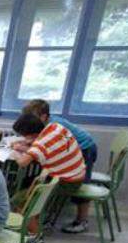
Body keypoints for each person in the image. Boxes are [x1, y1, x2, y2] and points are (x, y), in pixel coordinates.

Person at [22, 99, 97, 233]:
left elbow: (51, 144)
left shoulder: (55, 125)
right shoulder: (47, 124)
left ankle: (82, 220)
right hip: (77, 149)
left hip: (85, 148)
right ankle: (40, 217)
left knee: (79, 182)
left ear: (43, 116)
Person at [11, 112, 87, 228]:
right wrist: (28, 144)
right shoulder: (56, 127)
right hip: (78, 173)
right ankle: (36, 221)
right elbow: (48, 146)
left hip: (68, 182)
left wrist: (15, 152)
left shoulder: (40, 146)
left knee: (20, 200)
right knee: (28, 181)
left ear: (30, 135)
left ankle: (31, 230)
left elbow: (22, 163)